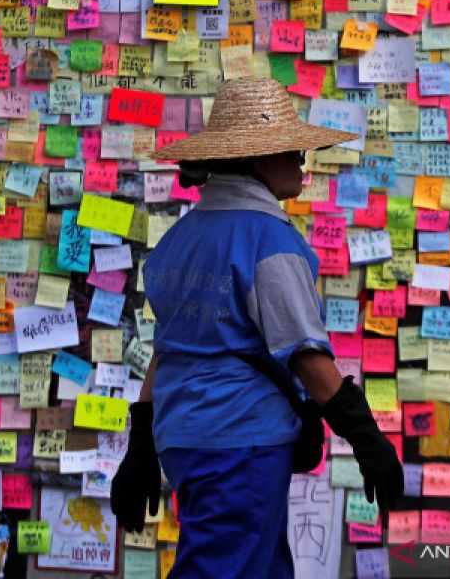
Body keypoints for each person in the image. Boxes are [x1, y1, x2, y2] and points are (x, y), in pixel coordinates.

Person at [110, 77, 404, 578]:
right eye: (292, 151)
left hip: (185, 436)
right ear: (260, 159)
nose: (301, 162)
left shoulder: (180, 239)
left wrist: (141, 445)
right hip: (239, 442)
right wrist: (368, 440)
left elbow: (170, 349)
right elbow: (309, 362)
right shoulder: (269, 240)